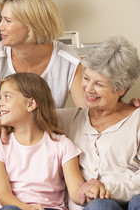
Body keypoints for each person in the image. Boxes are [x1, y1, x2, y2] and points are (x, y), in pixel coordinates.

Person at [0, 72, 111, 210]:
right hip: (14, 208)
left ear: (31, 104)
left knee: (104, 205)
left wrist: (89, 191)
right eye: (0, 98)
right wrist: (28, 208)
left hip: (50, 209)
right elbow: (3, 194)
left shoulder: (62, 145)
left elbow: (75, 192)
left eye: (7, 97)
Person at [0, 0, 85, 128]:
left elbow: (86, 115)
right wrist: (39, 119)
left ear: (31, 25)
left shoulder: (68, 61)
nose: (0, 27)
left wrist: (16, 119)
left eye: (7, 20)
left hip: (50, 139)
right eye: (1, 19)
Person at [57, 35, 140, 210]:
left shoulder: (136, 120)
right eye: (86, 78)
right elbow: (24, 116)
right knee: (100, 206)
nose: (88, 89)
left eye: (99, 84)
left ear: (121, 89)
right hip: (89, 207)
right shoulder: (67, 119)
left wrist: (107, 188)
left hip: (128, 203)